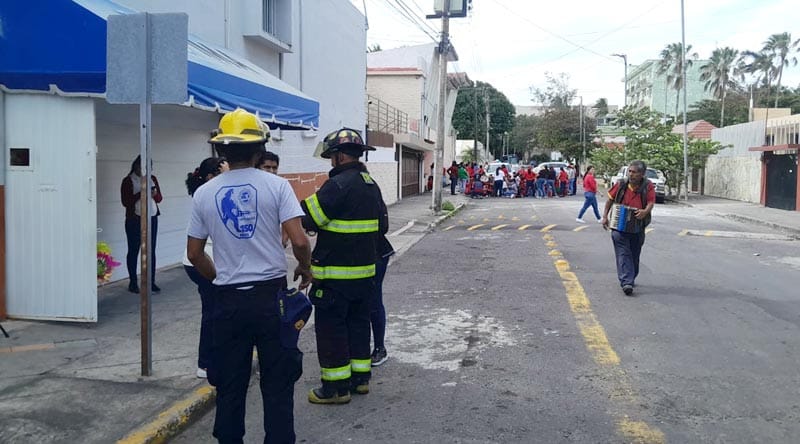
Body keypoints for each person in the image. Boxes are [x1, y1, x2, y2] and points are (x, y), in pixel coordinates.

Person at [187, 108, 312, 443]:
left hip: (228, 301)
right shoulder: (277, 186)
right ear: (260, 149)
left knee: (229, 386)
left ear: (221, 150)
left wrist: (217, 279)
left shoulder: (204, 193)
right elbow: (299, 240)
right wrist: (305, 266)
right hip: (271, 300)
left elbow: (194, 254)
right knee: (277, 383)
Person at [301, 128, 385, 405]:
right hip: (366, 275)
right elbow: (382, 226)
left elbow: (309, 219)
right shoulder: (371, 184)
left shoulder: (337, 185)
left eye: (331, 157)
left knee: (332, 329)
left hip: (335, 276)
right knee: (359, 324)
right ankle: (360, 379)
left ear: (337, 157)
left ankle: (336, 388)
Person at [183, 157, 229, 379]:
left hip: (203, 259)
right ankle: (205, 363)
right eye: (222, 172)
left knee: (214, 310)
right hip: (203, 260)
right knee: (212, 312)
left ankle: (211, 359)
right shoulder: (209, 193)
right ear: (211, 176)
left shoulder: (207, 191)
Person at [601, 160, 655, 296]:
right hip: (619, 226)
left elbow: (650, 202)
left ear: (642, 174)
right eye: (630, 171)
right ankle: (626, 281)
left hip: (638, 226)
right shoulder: (621, 184)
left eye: (634, 172)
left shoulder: (647, 186)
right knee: (623, 252)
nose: (631, 174)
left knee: (635, 253)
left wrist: (645, 212)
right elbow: (609, 201)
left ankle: (631, 276)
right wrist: (605, 217)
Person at [120, 155, 163, 293]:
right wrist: (142, 193)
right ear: (136, 166)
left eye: (148, 168)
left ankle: (151, 282)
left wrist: (154, 194)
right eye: (142, 167)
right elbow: (126, 202)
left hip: (152, 217)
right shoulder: (128, 180)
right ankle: (133, 282)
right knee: (134, 250)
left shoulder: (152, 178)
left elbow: (159, 198)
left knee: (151, 250)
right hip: (135, 219)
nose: (145, 170)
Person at [370, 196, 395, 367]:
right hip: (375, 253)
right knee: (372, 301)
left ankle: (379, 347)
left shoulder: (368, 193)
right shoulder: (371, 190)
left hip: (376, 254)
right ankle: (376, 347)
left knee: (373, 300)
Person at [257, 151, 290, 248]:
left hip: (273, 243)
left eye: (274, 168)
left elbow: (288, 216)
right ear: (258, 168)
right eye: (267, 167)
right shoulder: (251, 188)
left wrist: (284, 237)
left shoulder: (281, 188)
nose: (271, 171)